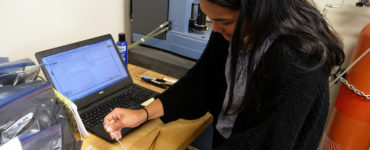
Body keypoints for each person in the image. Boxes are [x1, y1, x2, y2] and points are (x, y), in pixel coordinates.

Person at [104, 0, 345, 149]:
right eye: (210, 19)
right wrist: (142, 114)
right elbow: (201, 83)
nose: (214, 29)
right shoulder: (231, 32)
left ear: (257, 7)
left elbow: (268, 142)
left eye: (223, 21)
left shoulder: (297, 58)